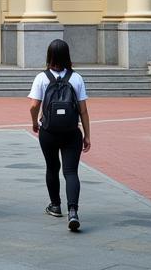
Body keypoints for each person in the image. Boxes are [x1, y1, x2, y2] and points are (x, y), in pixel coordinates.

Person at [29, 38, 91, 232]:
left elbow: (34, 106)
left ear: (49, 55)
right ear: (67, 55)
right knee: (71, 172)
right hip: (72, 132)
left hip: (48, 131)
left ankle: (55, 205)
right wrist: (87, 135)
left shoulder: (41, 78)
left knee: (52, 167)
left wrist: (34, 122)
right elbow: (83, 110)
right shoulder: (76, 78)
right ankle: (73, 211)